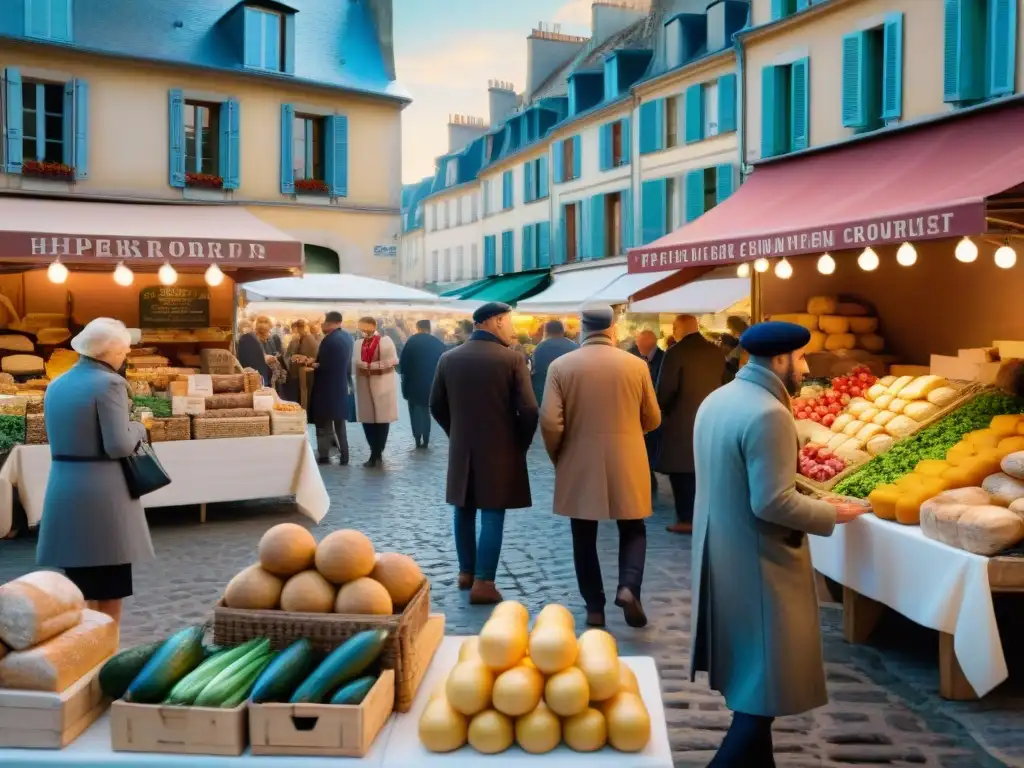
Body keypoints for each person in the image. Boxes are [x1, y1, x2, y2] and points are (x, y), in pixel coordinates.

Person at [691, 321, 870, 766]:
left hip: (723, 556)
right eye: (803, 358)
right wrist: (832, 513)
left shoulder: (718, 399)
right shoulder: (769, 413)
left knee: (756, 687)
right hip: (761, 565)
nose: (806, 368)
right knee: (760, 695)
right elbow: (771, 502)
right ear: (780, 360)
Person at [540, 307, 661, 628]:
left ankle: (595, 607)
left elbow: (550, 421)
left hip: (579, 458)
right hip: (628, 456)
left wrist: (559, 456)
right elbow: (653, 417)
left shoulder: (561, 366)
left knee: (583, 535)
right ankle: (628, 587)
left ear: (582, 328)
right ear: (612, 328)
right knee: (633, 528)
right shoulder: (636, 365)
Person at [36, 318, 154, 624]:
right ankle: (106, 654)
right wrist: (140, 427)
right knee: (110, 585)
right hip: (103, 494)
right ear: (107, 352)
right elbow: (118, 445)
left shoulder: (57, 384)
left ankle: (82, 652)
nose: (125, 357)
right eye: (124, 351)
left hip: (64, 485)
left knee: (79, 585)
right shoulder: (110, 383)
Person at [430, 302, 538, 604]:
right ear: (497, 321)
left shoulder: (448, 358)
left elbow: (436, 405)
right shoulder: (511, 360)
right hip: (500, 447)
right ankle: (484, 581)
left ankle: (466, 572)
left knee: (463, 508)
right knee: (492, 511)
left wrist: (457, 432)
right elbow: (529, 409)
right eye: (510, 321)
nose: (513, 328)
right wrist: (520, 442)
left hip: (463, 445)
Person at [656, 315, 725, 535]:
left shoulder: (675, 353)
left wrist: (661, 411)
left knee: (681, 474)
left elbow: (665, 390)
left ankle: (687, 518)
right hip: (713, 417)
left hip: (682, 421)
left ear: (678, 328)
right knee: (705, 471)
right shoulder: (716, 352)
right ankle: (707, 515)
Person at [353, 316, 399, 468]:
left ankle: (377, 452)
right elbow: (354, 362)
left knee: (381, 420)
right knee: (368, 420)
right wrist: (359, 365)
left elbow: (394, 360)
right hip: (363, 384)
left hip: (382, 385)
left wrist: (373, 366)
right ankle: (373, 450)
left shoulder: (385, 341)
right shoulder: (358, 343)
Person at [309, 311, 354, 465]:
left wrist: (313, 365)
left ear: (330, 323)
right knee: (340, 425)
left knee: (322, 423)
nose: (322, 326)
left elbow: (326, 365)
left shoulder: (329, 340)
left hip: (326, 388)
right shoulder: (348, 337)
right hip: (341, 386)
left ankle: (323, 455)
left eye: (324, 323)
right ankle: (345, 456)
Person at [399, 319, 446, 449]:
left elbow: (403, 364)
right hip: (431, 382)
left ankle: (417, 438)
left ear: (418, 327)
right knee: (426, 411)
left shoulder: (411, 342)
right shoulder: (437, 343)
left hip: (412, 383)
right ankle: (426, 438)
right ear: (429, 328)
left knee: (414, 411)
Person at [629, 329, 666, 494]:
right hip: (634, 409)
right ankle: (644, 479)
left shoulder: (664, 358)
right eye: (637, 341)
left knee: (650, 446)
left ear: (650, 343)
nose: (637, 344)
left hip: (655, 408)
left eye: (640, 342)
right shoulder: (630, 355)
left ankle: (649, 480)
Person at [530, 320, 577, 405]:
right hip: (569, 395)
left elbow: (535, 370)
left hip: (544, 395)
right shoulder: (574, 346)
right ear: (562, 331)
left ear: (546, 332)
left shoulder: (539, 348)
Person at [236, 315, 283, 388]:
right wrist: (264, 359)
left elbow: (273, 352)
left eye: (267, 332)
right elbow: (245, 361)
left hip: (269, 377)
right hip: (255, 379)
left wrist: (274, 357)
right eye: (263, 333)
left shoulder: (270, 340)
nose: (266, 335)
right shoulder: (248, 339)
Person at [283, 319, 319, 404]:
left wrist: (302, 359)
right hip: (299, 373)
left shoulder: (308, 339)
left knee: (304, 397)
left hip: (304, 374)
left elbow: (312, 357)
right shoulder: (302, 338)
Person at [721, 316, 750, 382]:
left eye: (729, 327)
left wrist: (727, 358)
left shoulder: (744, 335)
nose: (729, 329)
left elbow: (739, 350)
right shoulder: (744, 333)